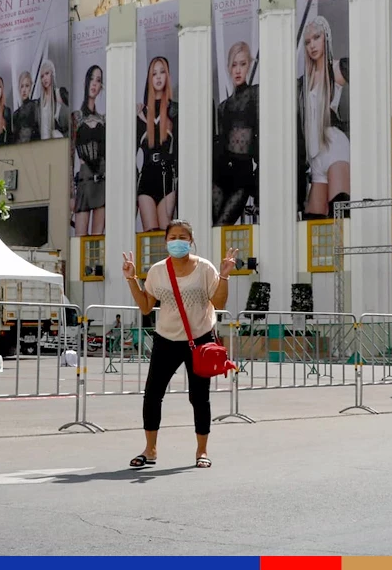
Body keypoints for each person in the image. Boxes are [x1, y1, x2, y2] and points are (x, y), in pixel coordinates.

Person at [122, 220, 236, 469]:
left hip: (199, 340)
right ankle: (149, 450)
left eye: (183, 237)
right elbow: (145, 306)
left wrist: (224, 274)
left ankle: (201, 451)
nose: (177, 241)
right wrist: (132, 279)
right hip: (166, 338)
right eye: (172, 237)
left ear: (191, 241)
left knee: (199, 397)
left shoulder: (204, 268)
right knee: (153, 394)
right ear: (166, 241)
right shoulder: (157, 271)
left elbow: (219, 302)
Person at [297, 15, 350, 219]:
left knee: (340, 213)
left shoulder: (337, 69)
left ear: (325, 37)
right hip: (315, 155)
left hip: (335, 146)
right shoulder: (305, 81)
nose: (312, 45)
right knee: (314, 220)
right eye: (308, 42)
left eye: (316, 38)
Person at [213, 41, 259, 226]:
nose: (238, 70)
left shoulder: (256, 94)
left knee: (221, 225)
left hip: (243, 173)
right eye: (234, 64)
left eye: (243, 64)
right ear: (228, 68)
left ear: (249, 65)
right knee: (213, 225)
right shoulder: (223, 107)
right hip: (221, 172)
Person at [136, 56, 178, 232]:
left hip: (167, 178)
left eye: (162, 72)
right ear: (149, 79)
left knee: (166, 234)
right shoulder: (141, 112)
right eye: (154, 73)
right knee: (150, 237)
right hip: (146, 178)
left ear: (167, 76)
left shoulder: (174, 110)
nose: (159, 77)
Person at [72, 64, 106, 236]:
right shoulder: (76, 117)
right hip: (84, 178)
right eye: (91, 78)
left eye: (98, 80)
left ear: (101, 86)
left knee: (98, 239)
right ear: (86, 82)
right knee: (80, 239)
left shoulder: (103, 119)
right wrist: (70, 193)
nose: (94, 84)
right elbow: (70, 153)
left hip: (102, 177)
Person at [37, 60, 69, 139]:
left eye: (47, 73)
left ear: (52, 73)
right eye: (42, 76)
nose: (45, 78)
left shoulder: (60, 93)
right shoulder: (39, 102)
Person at [12, 71, 41, 143]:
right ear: (19, 88)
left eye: (27, 86)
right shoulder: (15, 114)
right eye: (22, 86)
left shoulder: (35, 105)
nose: (24, 90)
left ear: (31, 87)